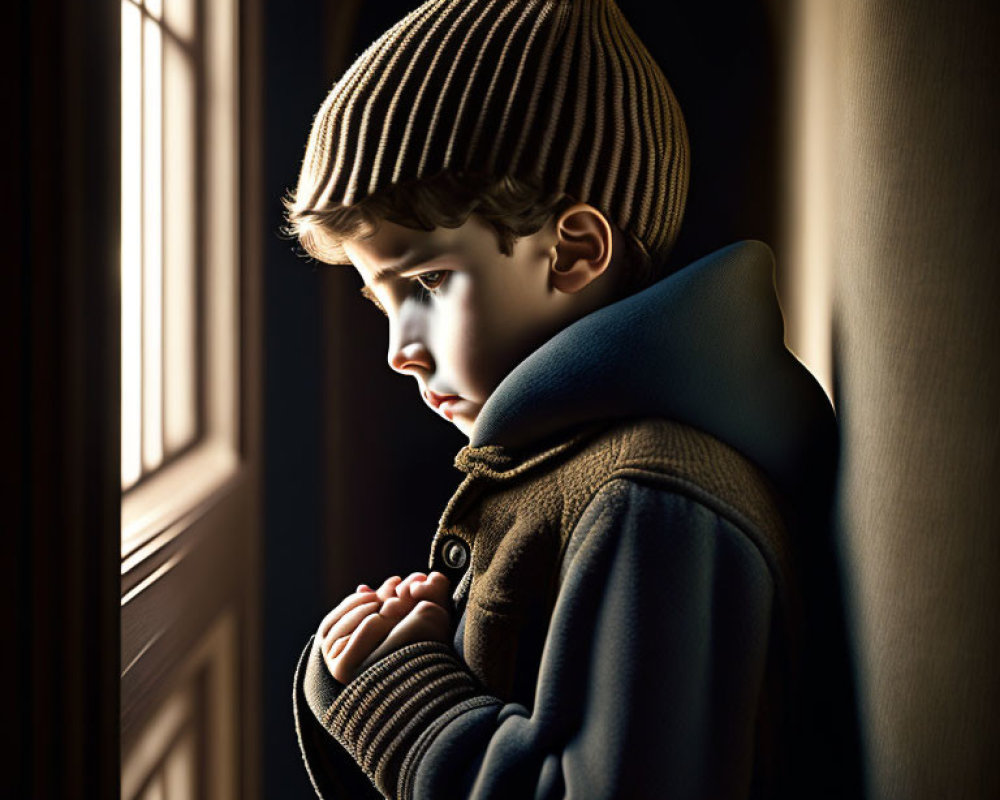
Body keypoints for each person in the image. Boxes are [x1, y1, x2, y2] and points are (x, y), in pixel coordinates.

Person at [285, 1, 849, 798]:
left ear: (574, 250)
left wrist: (399, 701)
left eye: (429, 283)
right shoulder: (580, 464)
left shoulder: (651, 502)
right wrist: (365, 668)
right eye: (382, 300)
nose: (399, 350)